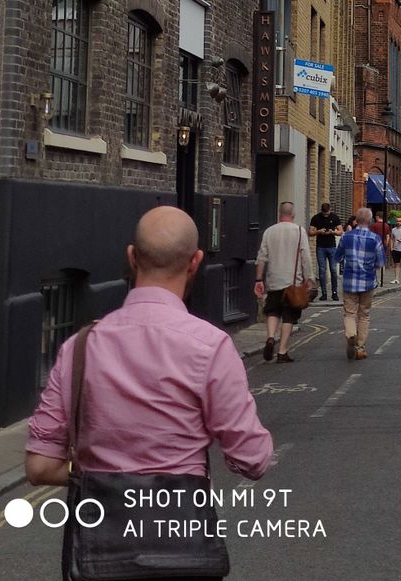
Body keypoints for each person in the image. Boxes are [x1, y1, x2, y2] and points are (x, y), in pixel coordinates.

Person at [25, 207, 272, 576]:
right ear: (195, 262)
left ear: (131, 257)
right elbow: (253, 459)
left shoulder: (80, 347)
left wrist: (93, 468)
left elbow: (40, 466)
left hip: (99, 556)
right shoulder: (211, 347)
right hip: (184, 554)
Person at [253, 201, 315, 361]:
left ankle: (270, 337)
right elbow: (306, 258)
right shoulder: (299, 231)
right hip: (292, 283)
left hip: (273, 280)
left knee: (272, 311)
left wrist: (258, 279)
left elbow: (261, 257)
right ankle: (282, 351)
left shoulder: (269, 231)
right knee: (289, 316)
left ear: (279, 214)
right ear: (293, 214)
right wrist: (309, 278)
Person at [335, 208, 385, 359]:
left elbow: (337, 257)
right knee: (364, 315)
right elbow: (381, 262)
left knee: (350, 313)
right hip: (368, 282)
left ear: (356, 220)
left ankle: (351, 334)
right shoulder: (375, 239)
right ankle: (360, 348)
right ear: (370, 221)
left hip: (349, 281)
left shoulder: (346, 237)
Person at [309, 200, 342, 302]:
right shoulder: (316, 218)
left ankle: (334, 293)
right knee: (322, 271)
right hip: (320, 247)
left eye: (327, 214)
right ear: (321, 211)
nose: (326, 216)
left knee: (333, 270)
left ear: (330, 210)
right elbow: (310, 232)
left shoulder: (335, 217)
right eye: (324, 214)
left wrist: (332, 232)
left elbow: (340, 231)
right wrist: (319, 231)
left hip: (332, 246)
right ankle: (324, 293)